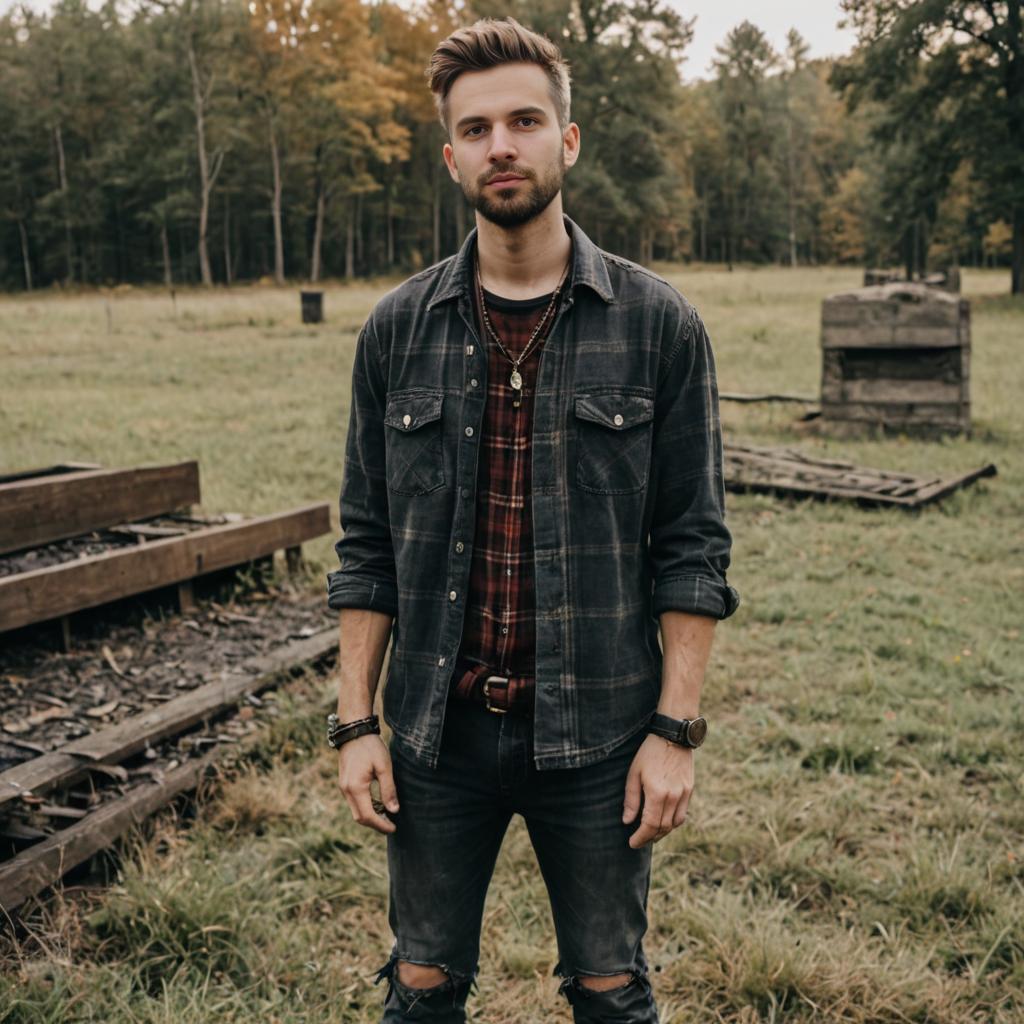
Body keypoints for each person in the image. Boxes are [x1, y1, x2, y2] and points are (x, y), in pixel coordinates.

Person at [326, 17, 739, 1023]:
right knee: (421, 981)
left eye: (522, 120)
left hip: (602, 733)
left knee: (609, 985)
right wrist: (354, 722)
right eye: (475, 129)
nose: (499, 145)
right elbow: (366, 543)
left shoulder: (658, 326)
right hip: (435, 734)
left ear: (568, 140)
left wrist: (673, 732)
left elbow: (693, 544)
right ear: (451, 156)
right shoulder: (395, 330)